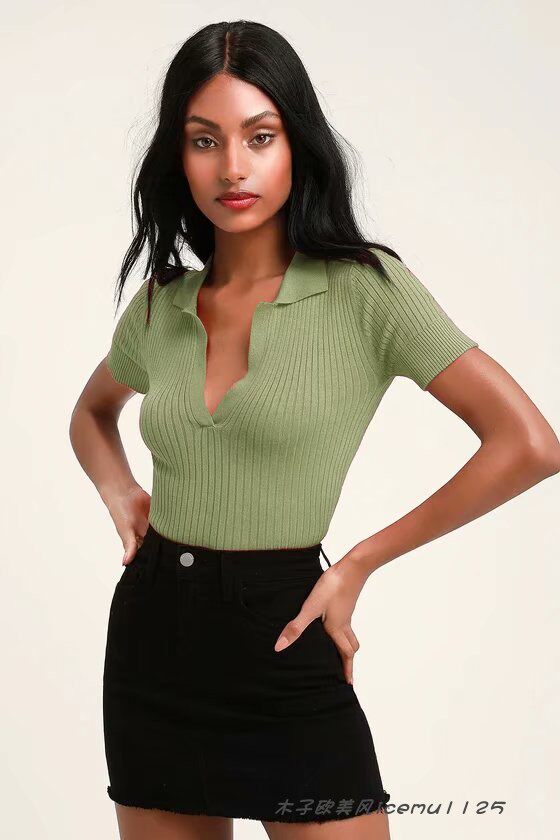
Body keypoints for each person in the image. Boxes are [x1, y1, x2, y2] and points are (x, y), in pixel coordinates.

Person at [69, 19, 560, 840]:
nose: (232, 166)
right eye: (204, 140)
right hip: (154, 640)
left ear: (297, 144)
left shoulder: (366, 290)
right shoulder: (161, 305)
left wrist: (360, 561)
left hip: (285, 627)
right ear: (177, 158)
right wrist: (120, 491)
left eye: (259, 137)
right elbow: (91, 414)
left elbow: (530, 445)